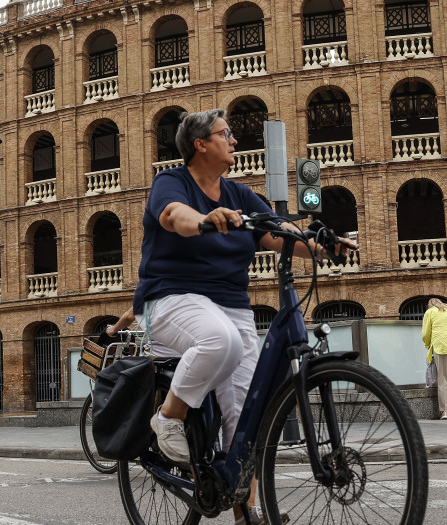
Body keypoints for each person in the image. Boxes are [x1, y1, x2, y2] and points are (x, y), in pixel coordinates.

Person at [103, 109, 350, 525]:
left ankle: (245, 513)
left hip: (231, 305)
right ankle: (168, 418)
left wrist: (324, 246)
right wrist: (204, 220)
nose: (234, 140)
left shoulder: (241, 195)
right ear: (200, 144)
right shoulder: (172, 182)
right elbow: (173, 217)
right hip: (170, 300)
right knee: (223, 341)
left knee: (248, 411)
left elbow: (278, 233)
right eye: (225, 134)